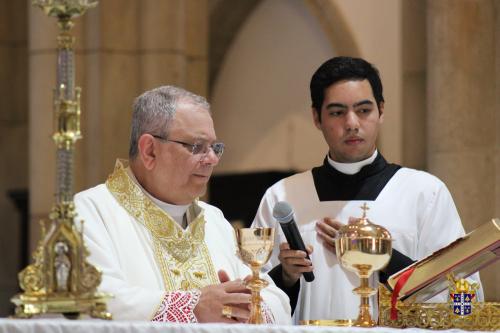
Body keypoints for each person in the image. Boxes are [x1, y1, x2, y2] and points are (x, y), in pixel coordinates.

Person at [251, 57, 483, 323]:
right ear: (316, 117)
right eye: (337, 112)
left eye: (363, 110)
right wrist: (286, 277)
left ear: (381, 111)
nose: (352, 123)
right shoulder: (282, 198)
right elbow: (253, 305)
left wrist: (382, 256)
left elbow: (461, 296)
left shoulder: (424, 193)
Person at [74, 85, 291, 324]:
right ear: (149, 151)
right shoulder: (90, 211)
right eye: (197, 147)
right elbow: (90, 301)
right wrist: (193, 308)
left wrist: (247, 306)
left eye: (215, 147)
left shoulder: (213, 219)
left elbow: (275, 298)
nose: (212, 159)